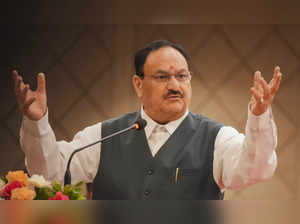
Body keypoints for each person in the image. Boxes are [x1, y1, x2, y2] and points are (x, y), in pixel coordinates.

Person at [13, 40, 281, 199]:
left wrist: (258, 118)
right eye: (163, 77)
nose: (175, 85)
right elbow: (51, 173)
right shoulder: (105, 135)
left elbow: (255, 170)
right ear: (138, 84)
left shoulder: (217, 138)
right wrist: (37, 123)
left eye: (182, 76)